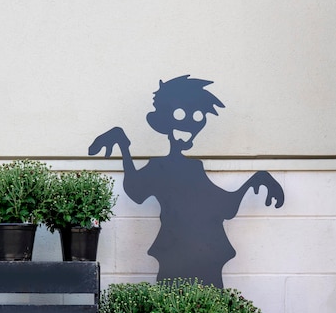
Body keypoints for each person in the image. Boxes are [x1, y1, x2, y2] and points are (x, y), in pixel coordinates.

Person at [89, 75, 284, 287]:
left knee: (207, 310)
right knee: (173, 306)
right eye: (181, 114)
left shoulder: (194, 167)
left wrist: (257, 179)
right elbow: (136, 190)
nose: (190, 122)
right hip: (175, 253)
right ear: (162, 120)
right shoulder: (159, 167)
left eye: (198, 115)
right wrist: (123, 144)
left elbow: (224, 207)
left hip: (206, 255)